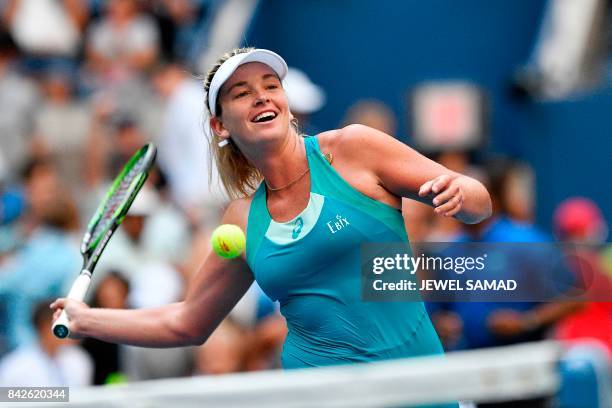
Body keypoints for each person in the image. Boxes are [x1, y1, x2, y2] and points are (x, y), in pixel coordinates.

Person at [51, 48, 491, 380]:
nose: (261, 97)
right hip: (317, 392)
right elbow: (187, 322)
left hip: (417, 385)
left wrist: (462, 193)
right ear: (220, 126)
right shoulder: (241, 221)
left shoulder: (355, 149)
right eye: (242, 93)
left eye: (269, 85)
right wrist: (88, 319)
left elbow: (477, 202)